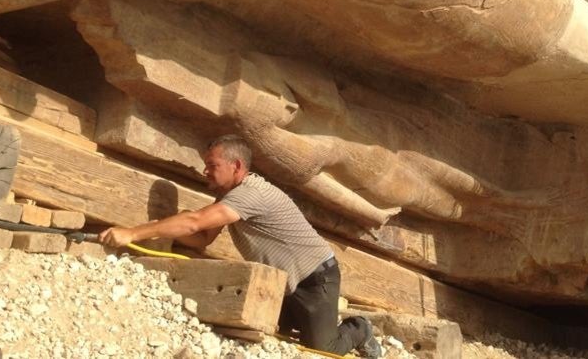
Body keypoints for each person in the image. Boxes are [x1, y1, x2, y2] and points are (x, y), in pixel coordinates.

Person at [98, 135, 381, 357]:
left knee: (323, 349)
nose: (205, 170)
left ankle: (360, 329)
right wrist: (167, 225)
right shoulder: (230, 197)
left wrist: (133, 233)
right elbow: (203, 238)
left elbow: (196, 224)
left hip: (315, 278)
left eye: (213, 165)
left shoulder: (250, 194)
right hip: (285, 284)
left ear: (236, 167)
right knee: (267, 328)